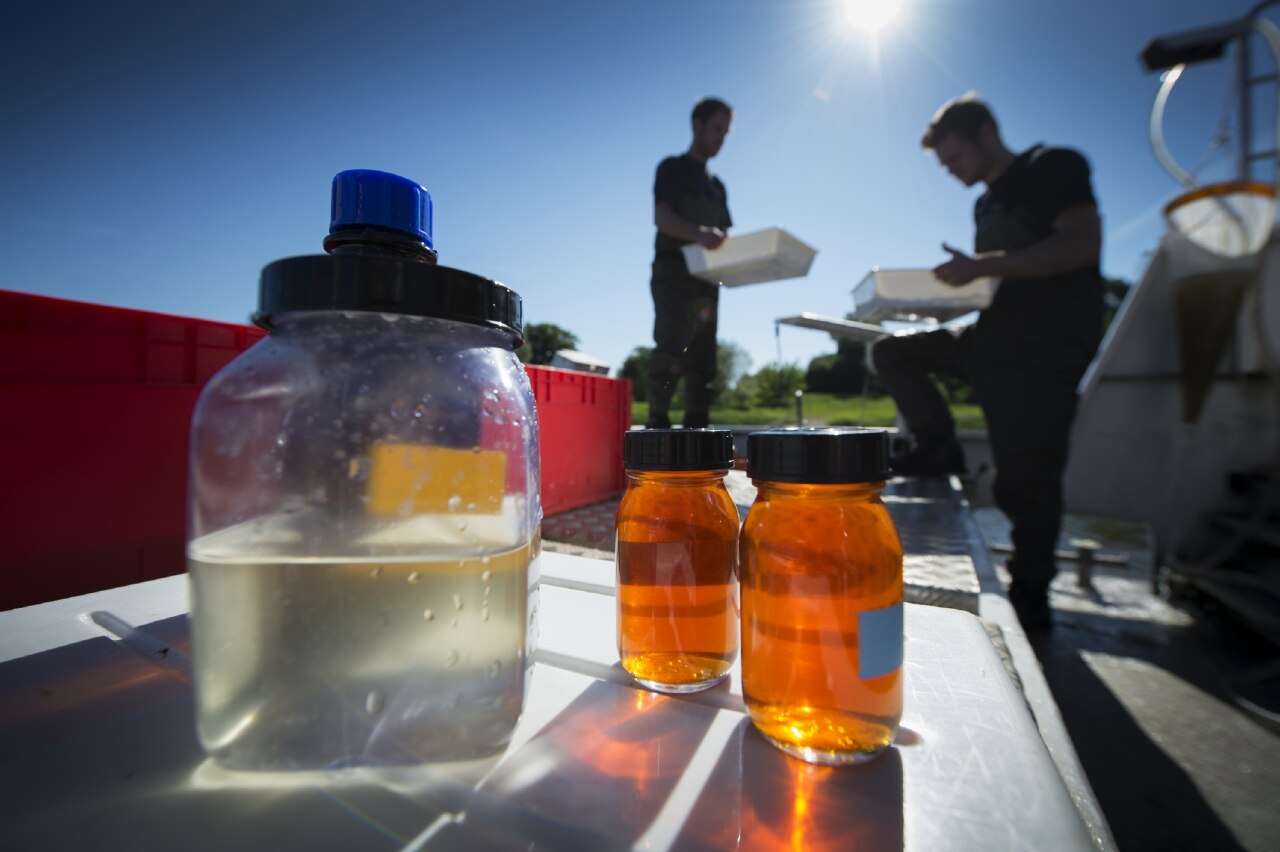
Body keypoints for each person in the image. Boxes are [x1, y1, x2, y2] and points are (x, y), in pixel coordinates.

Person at [870, 95, 1104, 630]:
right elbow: (995, 283)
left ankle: (1030, 596)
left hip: (1042, 350)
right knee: (892, 349)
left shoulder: (1053, 167)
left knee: (1026, 480)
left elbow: (1081, 245)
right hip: (992, 337)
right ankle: (938, 445)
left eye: (956, 160)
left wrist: (981, 265)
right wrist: (937, 298)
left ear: (986, 133)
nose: (953, 173)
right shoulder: (984, 204)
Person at [645, 97, 734, 429]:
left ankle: (698, 426)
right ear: (696, 126)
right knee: (671, 350)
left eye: (726, 132)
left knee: (703, 358)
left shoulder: (717, 187)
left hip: (708, 280)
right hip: (673, 273)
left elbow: (725, 234)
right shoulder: (672, 169)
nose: (721, 138)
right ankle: (658, 423)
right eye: (716, 129)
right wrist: (699, 234)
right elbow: (662, 217)